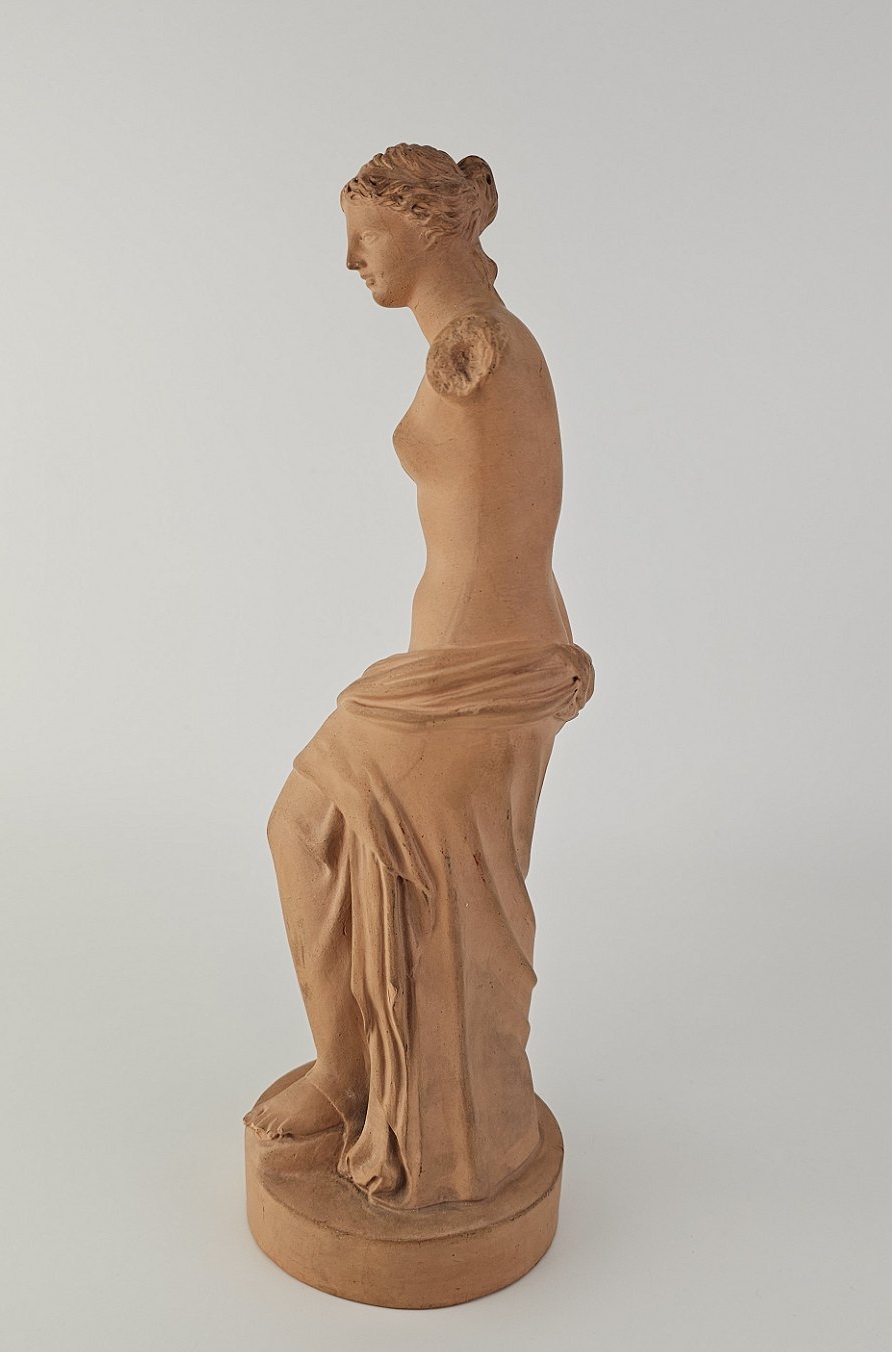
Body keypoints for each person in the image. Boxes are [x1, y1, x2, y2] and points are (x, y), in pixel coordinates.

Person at [244, 145, 594, 1210]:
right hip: (473, 661)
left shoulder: (475, 348)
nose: (351, 259)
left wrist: (474, 676)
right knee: (390, 872)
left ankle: (380, 1094)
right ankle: (374, 1083)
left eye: (368, 234)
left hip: (469, 672)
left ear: (431, 226)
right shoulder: (480, 338)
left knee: (317, 836)